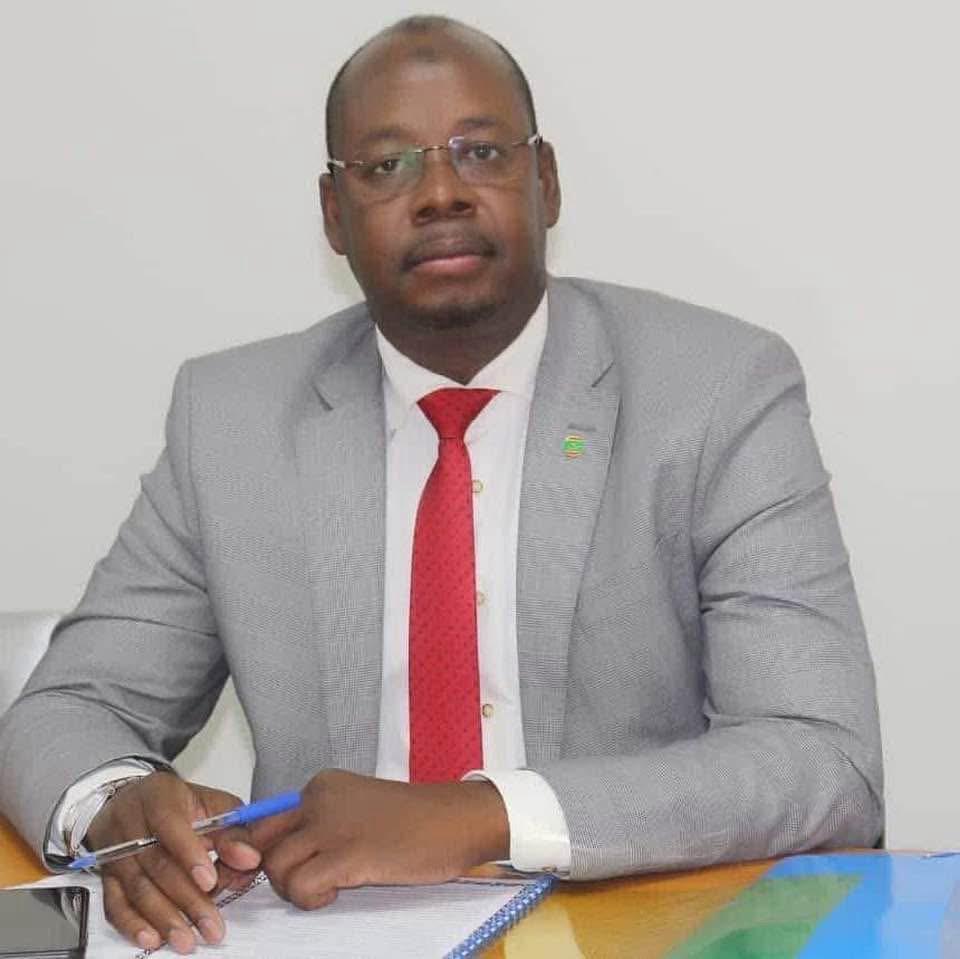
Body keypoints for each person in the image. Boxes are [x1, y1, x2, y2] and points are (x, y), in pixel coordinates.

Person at [0, 14, 883, 955]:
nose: (440, 193)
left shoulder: (715, 389)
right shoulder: (231, 420)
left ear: (546, 181)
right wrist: (116, 803)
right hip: (323, 933)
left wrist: (479, 816)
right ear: (333, 214)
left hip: (629, 929)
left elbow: (821, 757)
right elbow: (65, 709)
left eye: (482, 151)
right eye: (386, 166)